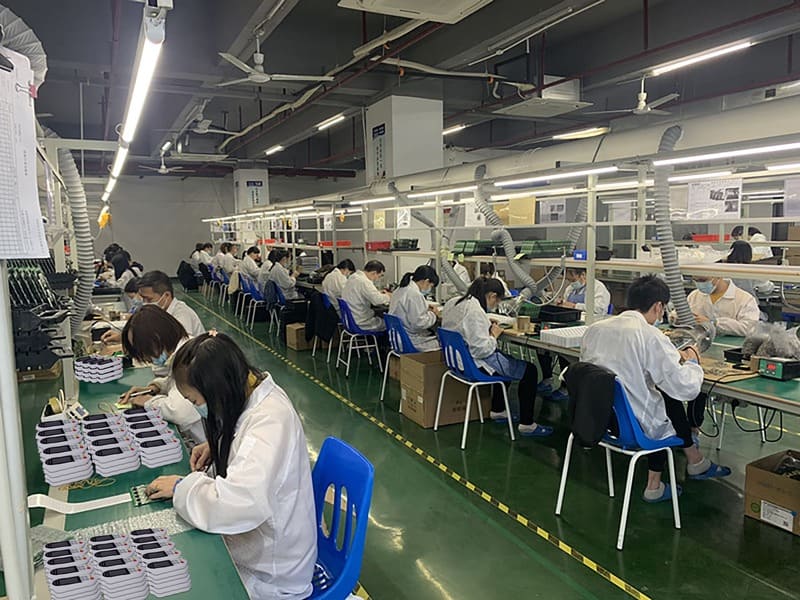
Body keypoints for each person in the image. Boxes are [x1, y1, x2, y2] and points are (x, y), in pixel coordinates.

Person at [144, 333, 317, 600]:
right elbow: (246, 443)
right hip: (262, 544)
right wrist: (220, 444)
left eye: (195, 402)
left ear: (217, 390)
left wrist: (181, 488)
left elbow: (237, 503)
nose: (196, 409)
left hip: (272, 574)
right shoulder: (252, 391)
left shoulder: (269, 423)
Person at [581, 275, 731, 502]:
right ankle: (654, 486)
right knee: (664, 404)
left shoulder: (595, 329)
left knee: (663, 397)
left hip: (598, 419)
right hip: (633, 428)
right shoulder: (650, 336)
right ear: (658, 306)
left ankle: (695, 461)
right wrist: (693, 361)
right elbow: (685, 388)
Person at [441, 277, 553, 437]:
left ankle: (498, 410)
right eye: (497, 301)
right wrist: (493, 335)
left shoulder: (454, 302)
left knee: (506, 358)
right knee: (530, 371)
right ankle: (527, 425)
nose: (495, 306)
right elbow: (482, 350)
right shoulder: (475, 312)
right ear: (492, 295)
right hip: (474, 364)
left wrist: (485, 322)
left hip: (455, 362)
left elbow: (465, 327)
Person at [119, 305, 205, 443]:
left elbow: (179, 412)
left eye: (142, 349)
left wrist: (148, 402)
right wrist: (155, 387)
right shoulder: (182, 350)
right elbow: (176, 383)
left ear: (157, 338)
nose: (144, 357)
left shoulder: (190, 358)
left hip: (206, 440)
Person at [101, 270, 205, 343]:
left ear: (166, 296)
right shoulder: (159, 313)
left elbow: (180, 346)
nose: (145, 303)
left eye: (149, 299)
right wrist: (123, 338)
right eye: (143, 298)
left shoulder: (181, 314)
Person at [389, 265, 441, 351]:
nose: (429, 289)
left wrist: (425, 306)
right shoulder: (414, 294)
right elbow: (419, 323)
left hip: (398, 338)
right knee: (442, 343)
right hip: (409, 341)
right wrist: (433, 315)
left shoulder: (401, 288)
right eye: (430, 286)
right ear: (426, 281)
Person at [687, 276, 760, 336]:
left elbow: (749, 328)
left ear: (718, 276)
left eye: (703, 280)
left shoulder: (745, 299)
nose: (699, 284)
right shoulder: (694, 296)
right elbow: (682, 318)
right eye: (696, 280)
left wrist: (714, 323)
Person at [341, 260, 391, 331]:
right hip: (360, 321)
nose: (377, 279)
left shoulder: (354, 277)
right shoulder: (364, 282)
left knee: (377, 312)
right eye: (379, 276)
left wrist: (379, 293)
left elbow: (363, 292)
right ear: (374, 273)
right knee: (388, 323)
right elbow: (377, 300)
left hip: (350, 319)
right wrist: (389, 296)